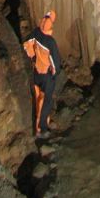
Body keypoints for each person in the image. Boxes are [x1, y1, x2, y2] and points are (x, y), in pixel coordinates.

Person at [23, 9, 61, 138]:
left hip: (36, 72)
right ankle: (42, 129)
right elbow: (55, 62)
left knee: (38, 97)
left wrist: (33, 58)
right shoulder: (50, 42)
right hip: (46, 75)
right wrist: (54, 74)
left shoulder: (36, 33)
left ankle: (38, 123)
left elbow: (26, 44)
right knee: (46, 101)